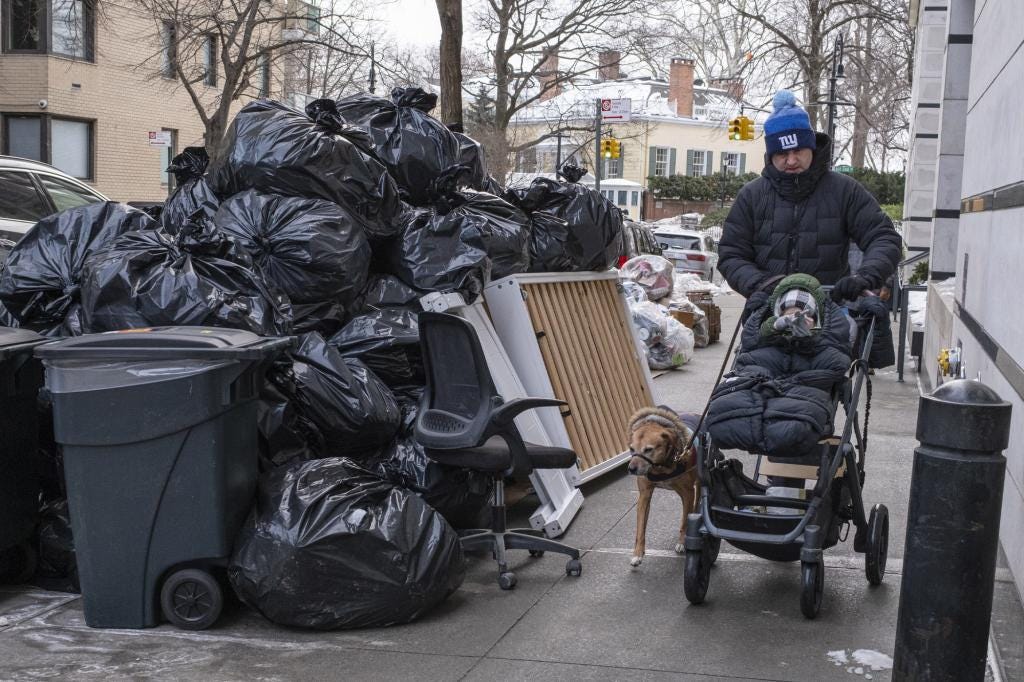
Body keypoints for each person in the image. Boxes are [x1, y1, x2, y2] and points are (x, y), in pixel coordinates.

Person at [717, 91, 902, 305]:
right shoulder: (751, 196)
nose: (791, 160)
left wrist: (865, 277)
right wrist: (760, 284)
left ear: (811, 148)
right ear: (771, 156)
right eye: (782, 154)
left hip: (830, 311)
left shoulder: (844, 191)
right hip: (767, 308)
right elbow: (731, 254)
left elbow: (884, 238)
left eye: (798, 151)